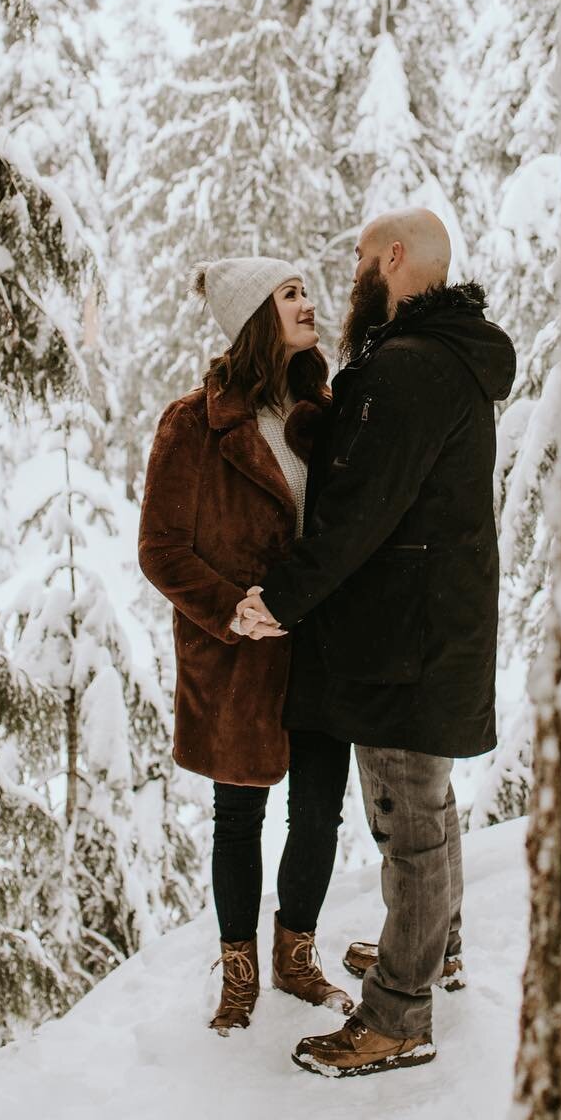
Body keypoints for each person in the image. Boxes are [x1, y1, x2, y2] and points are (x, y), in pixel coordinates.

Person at [237, 209, 516, 1078]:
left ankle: (399, 1014)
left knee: (411, 820)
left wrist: (280, 598)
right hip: (430, 627)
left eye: (363, 256)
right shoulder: (441, 361)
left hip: (407, 637)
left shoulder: (409, 369)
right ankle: (436, 951)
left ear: (394, 259)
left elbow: (361, 512)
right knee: (426, 807)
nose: (353, 270)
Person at [138, 256, 354, 1035]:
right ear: (255, 315)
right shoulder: (193, 424)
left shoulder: (325, 410)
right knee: (240, 816)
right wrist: (232, 612)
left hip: (323, 644)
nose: (309, 303)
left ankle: (297, 955)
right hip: (237, 657)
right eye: (291, 294)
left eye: (304, 291)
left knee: (321, 812)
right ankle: (239, 972)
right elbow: (161, 550)